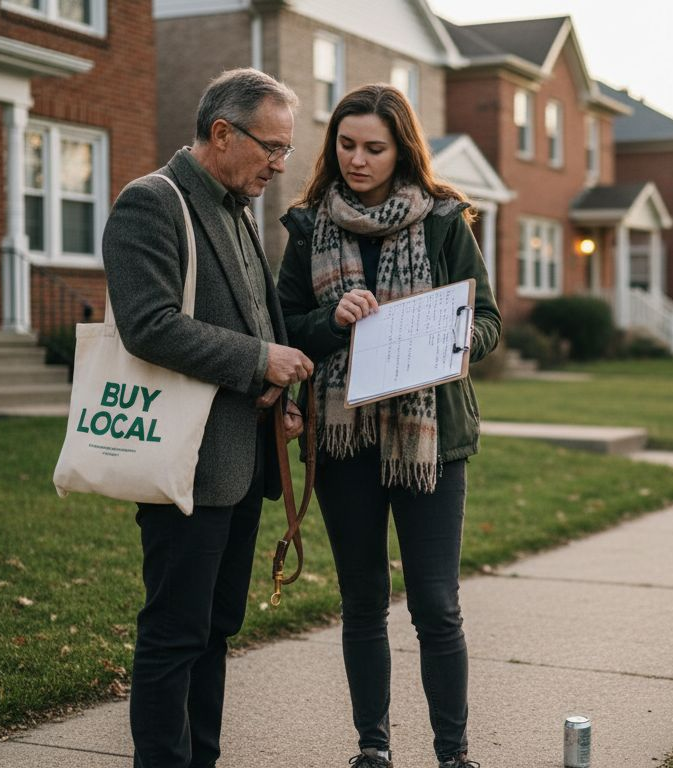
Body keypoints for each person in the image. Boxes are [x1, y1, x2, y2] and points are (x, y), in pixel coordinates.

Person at [278, 83, 501, 768]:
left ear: (401, 148)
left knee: (435, 606)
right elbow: (284, 327)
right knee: (363, 602)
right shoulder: (308, 226)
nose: (358, 159)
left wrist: (445, 342)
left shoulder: (442, 221)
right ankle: (372, 748)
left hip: (429, 442)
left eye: (374, 147)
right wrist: (329, 319)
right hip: (343, 442)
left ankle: (452, 754)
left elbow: (488, 323)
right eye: (346, 145)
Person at [101, 67, 313, 768]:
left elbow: (255, 316)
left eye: (287, 151)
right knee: (175, 633)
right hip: (183, 463)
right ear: (222, 133)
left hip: (239, 463)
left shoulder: (236, 206)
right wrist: (260, 363)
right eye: (272, 148)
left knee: (216, 628)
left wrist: (277, 397)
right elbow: (149, 325)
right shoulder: (151, 202)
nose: (280, 166)